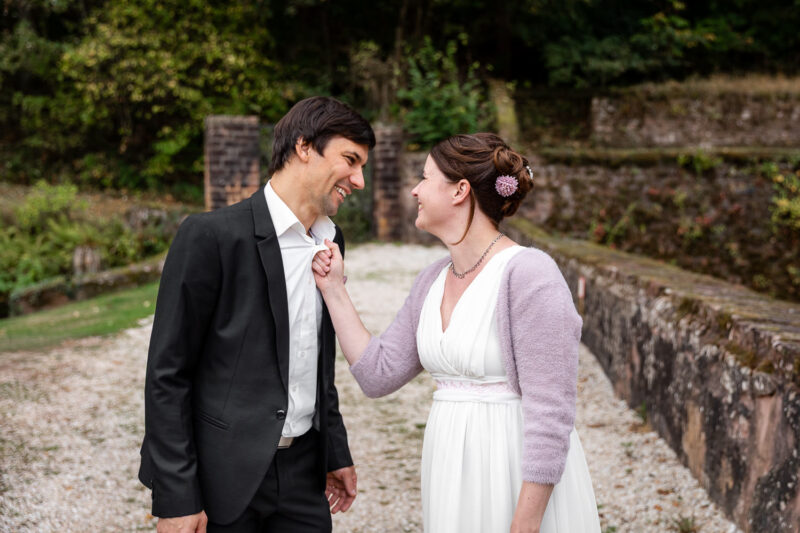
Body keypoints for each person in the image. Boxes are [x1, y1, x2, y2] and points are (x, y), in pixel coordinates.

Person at [312, 133, 601, 533]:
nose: (415, 190)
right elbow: (378, 374)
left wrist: (527, 521)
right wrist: (333, 288)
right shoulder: (432, 278)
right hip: (450, 473)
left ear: (460, 190)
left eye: (425, 177)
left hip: (512, 474)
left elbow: (551, 410)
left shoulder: (529, 273)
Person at [138, 96, 376, 532]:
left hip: (304, 477)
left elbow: (316, 362)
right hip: (222, 479)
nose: (359, 180)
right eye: (350, 160)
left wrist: (335, 450)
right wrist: (176, 496)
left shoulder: (331, 241)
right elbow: (167, 376)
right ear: (304, 146)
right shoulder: (210, 237)